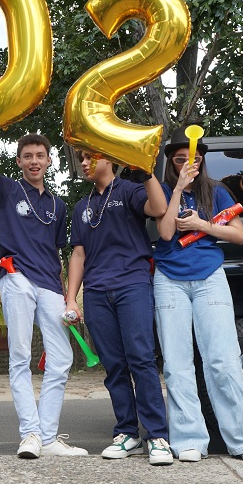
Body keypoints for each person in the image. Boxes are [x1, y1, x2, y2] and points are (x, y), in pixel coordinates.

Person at [153, 126, 243, 464]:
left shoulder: (217, 192)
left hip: (209, 277)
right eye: (179, 160)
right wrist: (178, 189)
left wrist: (202, 226)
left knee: (223, 359)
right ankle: (189, 439)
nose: (188, 163)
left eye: (194, 159)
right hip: (169, 278)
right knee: (176, 363)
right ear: (172, 164)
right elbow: (166, 231)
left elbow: (239, 236)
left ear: (202, 161)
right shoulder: (162, 189)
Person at [0, 129, 86, 458]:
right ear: (19, 161)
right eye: (28, 156)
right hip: (16, 277)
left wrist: (69, 298)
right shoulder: (8, 189)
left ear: (49, 161)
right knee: (20, 358)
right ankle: (30, 435)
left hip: (50, 285)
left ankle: (48, 438)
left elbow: (57, 254)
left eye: (40, 156)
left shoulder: (57, 204)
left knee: (62, 358)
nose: (34, 161)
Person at [65, 151, 174, 465]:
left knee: (141, 358)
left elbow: (159, 208)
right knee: (114, 365)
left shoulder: (129, 189)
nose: (84, 163)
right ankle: (128, 433)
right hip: (97, 292)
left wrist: (147, 172)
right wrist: (72, 297)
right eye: (81, 159)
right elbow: (79, 255)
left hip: (133, 284)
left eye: (89, 157)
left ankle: (157, 436)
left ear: (108, 159)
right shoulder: (82, 206)